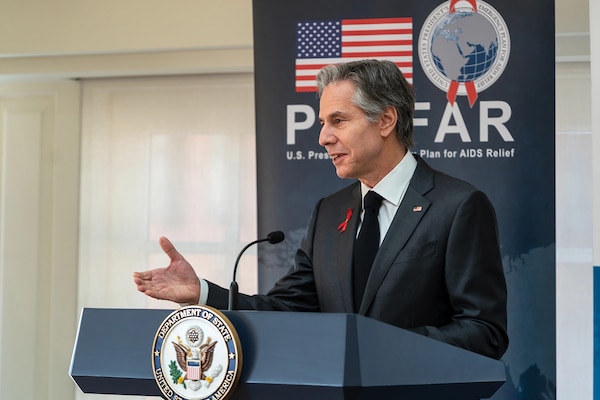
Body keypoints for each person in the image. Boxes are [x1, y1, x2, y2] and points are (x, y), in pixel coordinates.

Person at [134, 59, 508, 360]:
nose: (323, 137)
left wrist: (380, 347)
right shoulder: (329, 212)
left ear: (386, 120)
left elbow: (484, 332)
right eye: (323, 123)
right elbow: (289, 309)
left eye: (339, 121)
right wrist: (202, 294)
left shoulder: (458, 206)